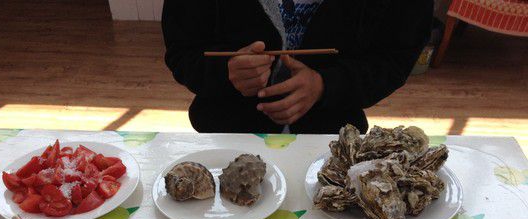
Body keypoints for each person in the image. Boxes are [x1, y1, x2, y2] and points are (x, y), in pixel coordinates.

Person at [162, 0, 433, 134]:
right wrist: (225, 71)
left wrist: (326, 85)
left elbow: (395, 58)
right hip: (224, 134)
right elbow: (182, 50)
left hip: (332, 140)